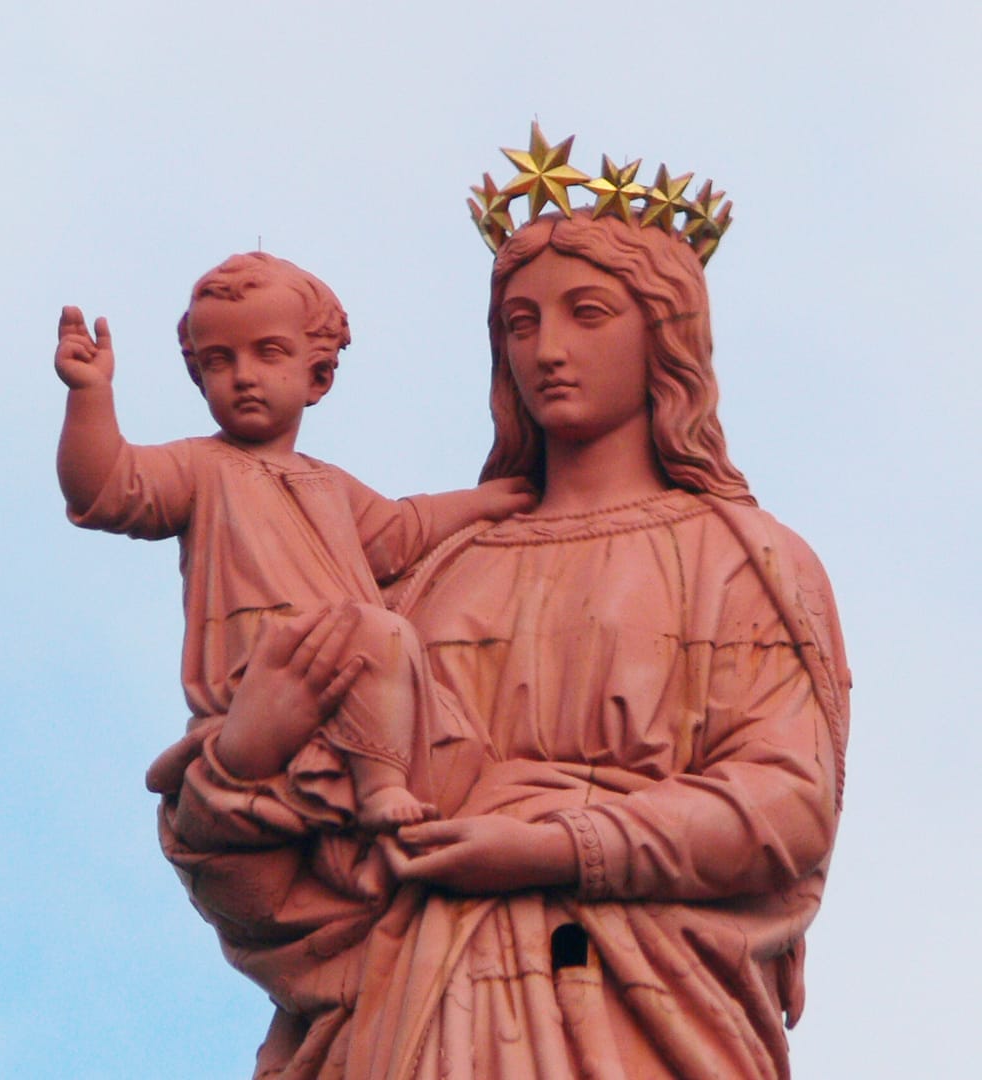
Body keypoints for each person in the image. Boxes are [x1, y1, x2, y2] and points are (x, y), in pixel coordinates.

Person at [147, 142, 849, 1079]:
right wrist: (241, 763)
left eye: (586, 314)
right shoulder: (416, 580)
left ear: (666, 334)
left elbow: (786, 807)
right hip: (401, 1026)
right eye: (519, 323)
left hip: (637, 1017)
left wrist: (551, 843)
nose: (547, 349)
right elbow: (277, 897)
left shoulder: (744, 562)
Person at [55, 251, 532, 830]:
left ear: (319, 374)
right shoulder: (199, 467)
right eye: (218, 360)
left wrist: (486, 501)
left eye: (268, 352)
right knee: (381, 632)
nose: (244, 375)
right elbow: (104, 486)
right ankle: (349, 780)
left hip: (351, 659)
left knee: (386, 635)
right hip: (258, 671)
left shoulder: (329, 483)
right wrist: (89, 395)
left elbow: (401, 532)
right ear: (196, 375)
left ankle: (379, 782)